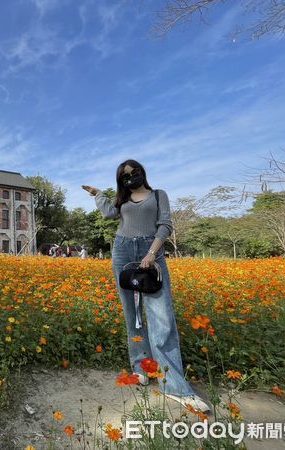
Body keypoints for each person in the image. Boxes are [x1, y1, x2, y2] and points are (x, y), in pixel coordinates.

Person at [82, 159, 211, 413]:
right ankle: (141, 369)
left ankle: (174, 386)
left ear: (142, 172)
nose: (131, 177)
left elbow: (165, 226)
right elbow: (109, 213)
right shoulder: (122, 200)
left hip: (152, 253)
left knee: (162, 318)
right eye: (125, 175)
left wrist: (152, 253)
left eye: (134, 172)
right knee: (133, 317)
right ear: (121, 180)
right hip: (122, 252)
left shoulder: (159, 195)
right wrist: (99, 194)